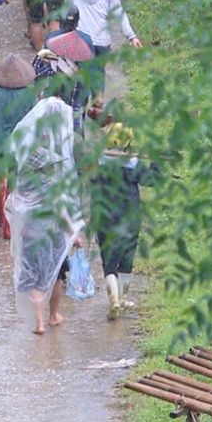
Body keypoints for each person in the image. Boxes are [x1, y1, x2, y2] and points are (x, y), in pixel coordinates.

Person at [8, 60, 87, 335]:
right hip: (54, 232)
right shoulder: (56, 178)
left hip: (32, 231)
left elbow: (16, 202)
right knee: (56, 273)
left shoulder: (26, 174)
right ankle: (54, 316)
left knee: (34, 278)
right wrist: (74, 232)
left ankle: (39, 321)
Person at [89, 130, 154, 319]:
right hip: (130, 218)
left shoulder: (98, 162)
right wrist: (156, 163)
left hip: (105, 218)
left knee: (109, 262)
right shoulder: (133, 163)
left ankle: (115, 300)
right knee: (126, 258)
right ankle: (124, 298)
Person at [0, 53, 41, 236]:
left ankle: (0, 217)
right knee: (15, 180)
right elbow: (36, 119)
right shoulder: (30, 94)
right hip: (20, 143)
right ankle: (10, 223)